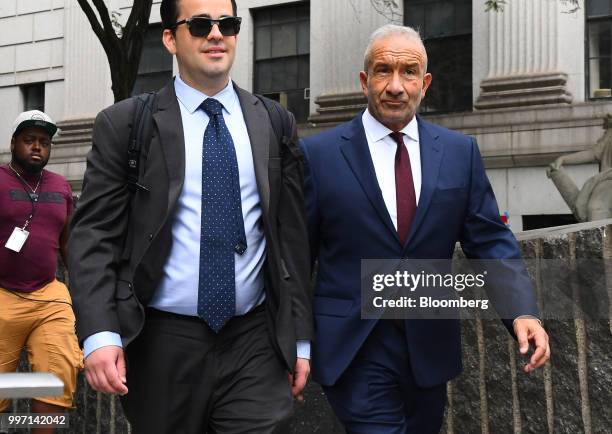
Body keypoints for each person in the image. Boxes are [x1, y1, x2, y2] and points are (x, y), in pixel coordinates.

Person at [68, 0, 312, 432]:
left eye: (227, 23)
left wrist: (300, 339)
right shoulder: (126, 124)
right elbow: (93, 237)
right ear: (170, 39)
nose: (216, 34)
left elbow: (290, 237)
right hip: (162, 341)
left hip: (253, 339)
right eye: (200, 25)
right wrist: (100, 334)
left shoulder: (275, 122)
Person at [300, 25, 551, 433]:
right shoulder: (318, 155)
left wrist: (522, 310)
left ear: (425, 82)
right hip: (353, 347)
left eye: (409, 73)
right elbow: (297, 255)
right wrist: (295, 343)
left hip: (428, 348)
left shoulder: (458, 153)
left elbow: (489, 240)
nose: (395, 86)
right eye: (383, 71)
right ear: (365, 81)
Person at [0, 110, 82, 432]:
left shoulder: (61, 187)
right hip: (3, 292)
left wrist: (88, 289)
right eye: (29, 140)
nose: (37, 147)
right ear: (13, 143)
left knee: (56, 373)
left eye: (44, 142)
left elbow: (68, 244)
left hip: (49, 294)